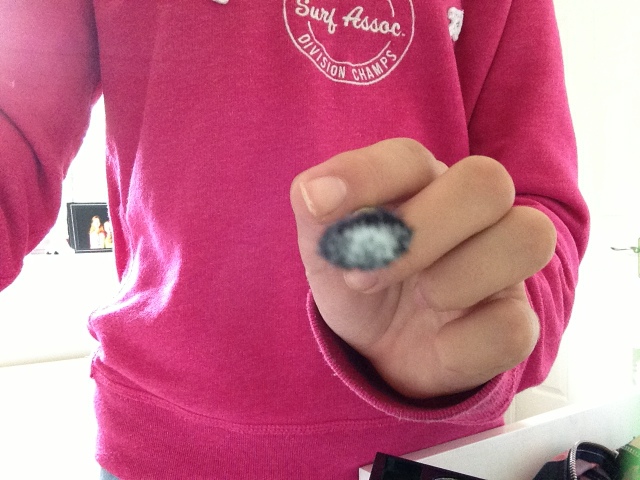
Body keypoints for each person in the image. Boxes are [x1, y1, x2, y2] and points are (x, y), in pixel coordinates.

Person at [0, 1, 589, 478]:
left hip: (432, 455)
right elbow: (14, 130)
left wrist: (471, 330)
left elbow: (539, 213)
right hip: (155, 448)